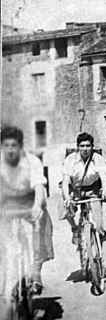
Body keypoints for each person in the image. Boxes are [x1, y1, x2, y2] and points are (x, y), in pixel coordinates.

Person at [0, 126, 54, 293]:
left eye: (13, 145)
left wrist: (37, 206)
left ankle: (35, 271)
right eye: (6, 145)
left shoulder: (32, 161)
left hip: (30, 201)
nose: (10, 150)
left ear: (20, 146)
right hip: (7, 202)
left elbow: (38, 186)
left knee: (40, 226)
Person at [62, 132, 106, 245]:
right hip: (75, 189)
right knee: (66, 208)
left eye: (88, 146)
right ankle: (74, 229)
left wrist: (105, 192)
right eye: (82, 146)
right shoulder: (70, 160)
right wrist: (67, 197)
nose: (85, 149)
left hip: (92, 190)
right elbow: (65, 181)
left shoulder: (98, 159)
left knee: (98, 225)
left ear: (92, 147)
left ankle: (98, 251)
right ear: (78, 147)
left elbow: (103, 178)